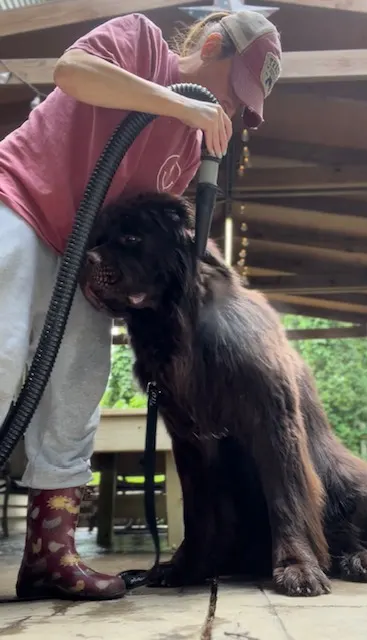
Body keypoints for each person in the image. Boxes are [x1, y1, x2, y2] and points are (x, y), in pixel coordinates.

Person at [0, 9, 281, 600]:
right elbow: (72, 72)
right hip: (19, 203)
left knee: (77, 387)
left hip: (80, 256)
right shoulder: (139, 41)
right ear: (210, 44)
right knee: (0, 363)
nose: (231, 108)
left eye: (241, 104)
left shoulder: (186, 146)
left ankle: (50, 557)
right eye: (235, 88)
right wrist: (184, 105)